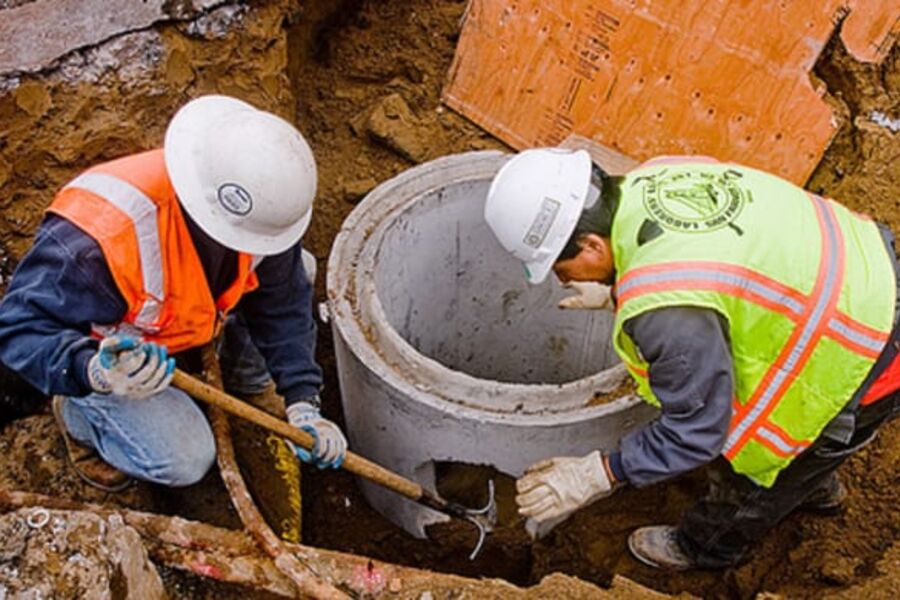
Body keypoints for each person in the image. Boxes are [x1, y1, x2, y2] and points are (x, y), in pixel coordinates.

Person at [484, 148, 900, 570]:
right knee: (805, 462)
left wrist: (600, 473)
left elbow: (697, 430)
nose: (562, 281)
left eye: (560, 269)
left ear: (591, 245)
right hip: (865, 269)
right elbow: (715, 264)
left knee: (749, 480)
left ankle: (706, 547)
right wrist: (616, 291)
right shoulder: (655, 177)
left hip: (861, 355)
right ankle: (810, 479)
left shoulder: (667, 312)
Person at [0, 95, 347, 492]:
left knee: (300, 267)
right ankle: (78, 418)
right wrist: (91, 370)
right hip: (118, 359)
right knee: (185, 459)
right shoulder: (95, 244)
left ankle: (248, 384)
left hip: (183, 319)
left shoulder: (261, 210)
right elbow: (17, 330)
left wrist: (303, 401)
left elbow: (283, 303)